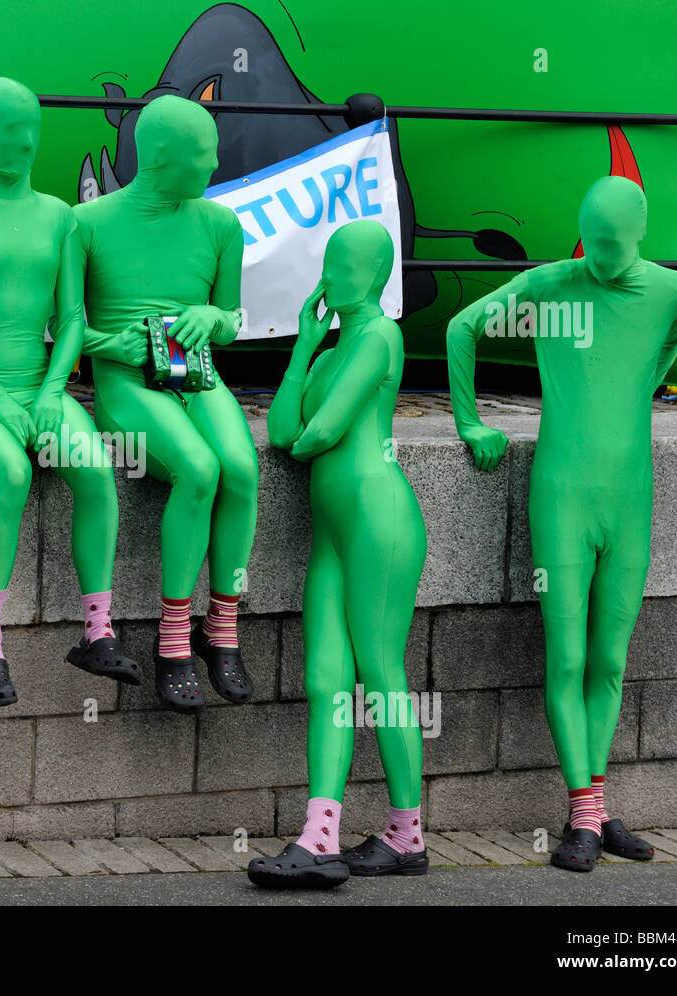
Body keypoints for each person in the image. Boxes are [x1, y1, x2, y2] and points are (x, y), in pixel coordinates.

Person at [445, 176, 677, 871]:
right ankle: (586, 815)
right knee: (568, 657)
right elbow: (460, 327)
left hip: (630, 498)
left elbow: (663, 352)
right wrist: (469, 420)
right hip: (561, 494)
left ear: (640, 227)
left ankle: (596, 808)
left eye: (614, 243)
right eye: (592, 240)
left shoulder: (675, 291)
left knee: (611, 660)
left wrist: (635, 390)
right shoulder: (549, 285)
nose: (602, 255)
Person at [0, 77, 136, 708]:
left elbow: (70, 319)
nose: (22, 144)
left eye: (31, 132)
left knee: (97, 470)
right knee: (12, 472)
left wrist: (47, 392)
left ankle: (98, 630)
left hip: (35, 388)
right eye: (9, 131)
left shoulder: (59, 217)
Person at [249, 220, 427, 888]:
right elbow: (286, 429)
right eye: (329, 262)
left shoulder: (383, 336)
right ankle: (319, 835)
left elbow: (320, 430)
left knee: (381, 673)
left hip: (380, 522)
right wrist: (301, 347)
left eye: (345, 263)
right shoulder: (329, 353)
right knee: (328, 678)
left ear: (375, 273)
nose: (333, 274)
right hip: (333, 529)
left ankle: (407, 835)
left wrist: (306, 433)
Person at [71, 94, 258, 713]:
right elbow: (62, 324)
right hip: (126, 385)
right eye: (202, 153)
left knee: (241, 469)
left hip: (198, 376)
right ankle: (172, 637)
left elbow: (233, 320)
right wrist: (110, 343)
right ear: (159, 156)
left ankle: (221, 624)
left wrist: (214, 316)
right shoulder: (88, 222)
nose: (213, 163)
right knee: (198, 469)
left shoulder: (220, 224)